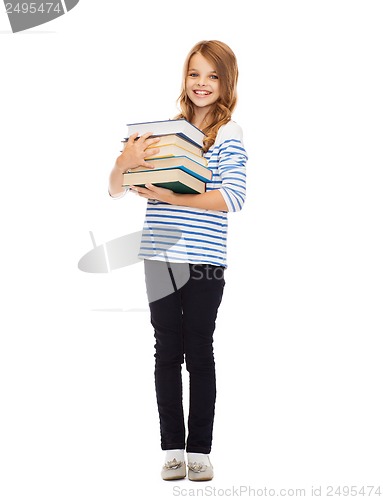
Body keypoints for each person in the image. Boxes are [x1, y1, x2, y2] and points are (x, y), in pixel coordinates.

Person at [108, 40, 247, 481]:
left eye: (212, 75)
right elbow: (115, 188)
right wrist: (126, 162)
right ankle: (172, 449)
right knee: (166, 351)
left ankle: (199, 450)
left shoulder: (228, 133)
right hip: (160, 258)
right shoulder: (164, 131)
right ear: (184, 79)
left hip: (205, 259)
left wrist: (169, 195)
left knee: (198, 352)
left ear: (226, 82)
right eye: (194, 74)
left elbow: (233, 197)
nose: (202, 83)